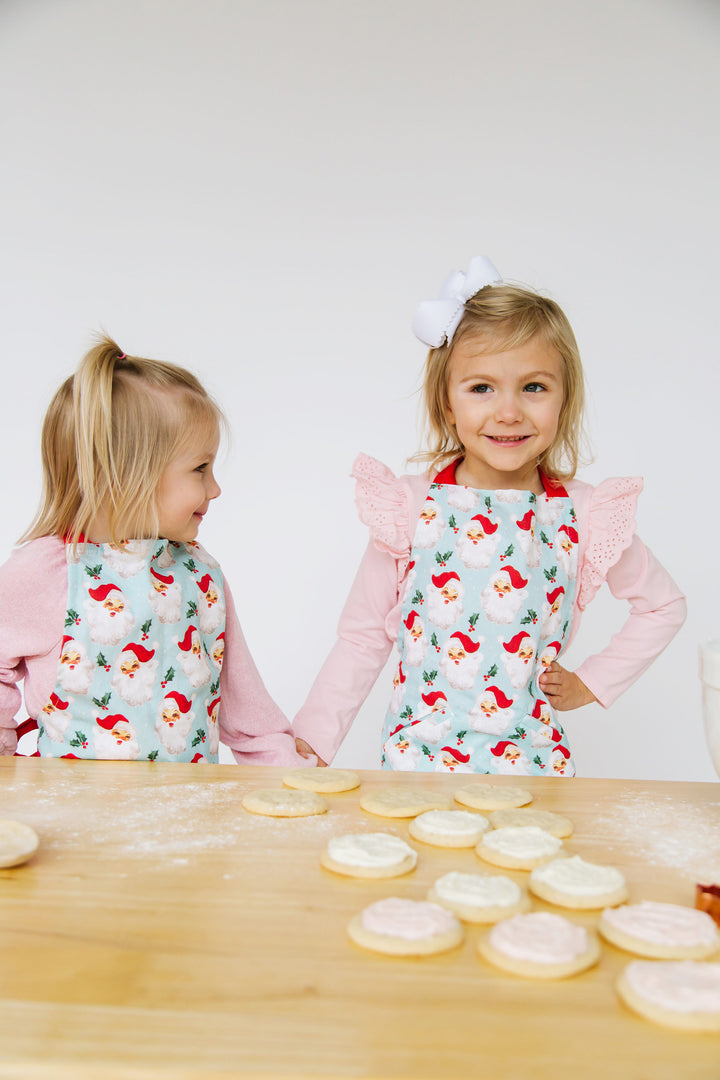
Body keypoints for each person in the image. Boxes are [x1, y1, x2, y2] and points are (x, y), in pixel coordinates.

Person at [293, 256, 686, 775]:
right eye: (481, 388)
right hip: (418, 764)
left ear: (564, 402)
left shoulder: (587, 513)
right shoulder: (409, 507)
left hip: (534, 766)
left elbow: (663, 606)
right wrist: (313, 739)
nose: (508, 411)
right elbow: (364, 635)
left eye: (534, 387)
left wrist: (594, 680)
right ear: (447, 405)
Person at [0, 336, 305, 765]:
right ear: (125, 474)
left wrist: (294, 778)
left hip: (188, 816)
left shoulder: (202, 576)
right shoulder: (48, 572)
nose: (215, 489)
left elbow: (245, 706)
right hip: (72, 819)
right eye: (200, 468)